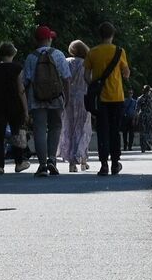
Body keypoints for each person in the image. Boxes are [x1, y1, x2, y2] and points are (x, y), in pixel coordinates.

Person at [24, 25, 71, 177]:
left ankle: (43, 165)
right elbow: (66, 78)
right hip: (56, 97)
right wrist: (67, 97)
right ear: (49, 39)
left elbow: (26, 81)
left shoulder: (31, 57)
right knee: (55, 126)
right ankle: (52, 159)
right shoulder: (58, 54)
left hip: (36, 98)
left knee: (39, 129)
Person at [84, 23, 130, 175]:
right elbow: (126, 74)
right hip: (117, 96)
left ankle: (103, 164)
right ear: (113, 35)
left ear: (100, 35)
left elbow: (86, 76)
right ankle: (115, 163)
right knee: (115, 131)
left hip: (101, 99)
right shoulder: (119, 51)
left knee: (103, 131)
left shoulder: (92, 52)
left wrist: (94, 85)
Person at [0, 42, 28, 174]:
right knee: (17, 133)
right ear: (13, 53)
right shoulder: (17, 68)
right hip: (14, 104)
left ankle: (0, 166)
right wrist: (26, 109)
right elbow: (21, 89)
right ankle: (19, 163)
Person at [58, 40, 92, 171]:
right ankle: (82, 160)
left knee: (69, 128)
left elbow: (63, 79)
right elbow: (90, 80)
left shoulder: (66, 62)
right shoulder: (87, 63)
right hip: (83, 98)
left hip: (68, 98)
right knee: (84, 129)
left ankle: (72, 163)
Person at [136, 84, 152, 153]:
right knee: (149, 131)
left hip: (143, 116)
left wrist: (136, 118)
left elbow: (137, 109)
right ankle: (147, 142)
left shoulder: (140, 98)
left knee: (142, 131)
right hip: (150, 116)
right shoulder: (151, 98)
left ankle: (143, 146)